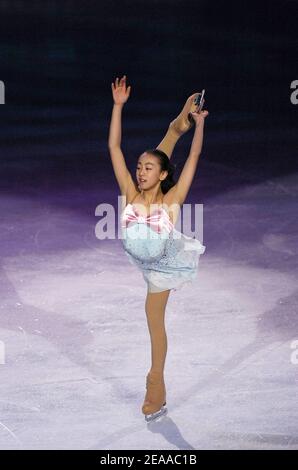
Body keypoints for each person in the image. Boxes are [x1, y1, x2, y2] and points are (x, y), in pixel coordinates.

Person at [108, 75, 208, 422]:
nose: (139, 172)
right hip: (140, 252)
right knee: (154, 158)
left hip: (161, 265)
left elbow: (194, 156)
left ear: (164, 176)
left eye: (146, 169)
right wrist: (118, 107)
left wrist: (198, 126)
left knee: (154, 321)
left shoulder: (172, 202)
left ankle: (156, 382)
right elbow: (115, 149)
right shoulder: (131, 194)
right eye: (139, 168)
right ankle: (173, 129)